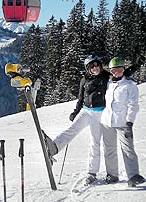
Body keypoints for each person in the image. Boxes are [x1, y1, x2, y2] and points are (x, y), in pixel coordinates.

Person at [43, 54, 140, 185]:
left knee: (95, 143)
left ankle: (92, 172)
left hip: (99, 114)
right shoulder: (84, 80)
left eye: (96, 65)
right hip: (85, 111)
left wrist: (137, 66)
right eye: (91, 66)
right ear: (87, 68)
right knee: (72, 130)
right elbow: (80, 98)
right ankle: (54, 147)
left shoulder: (107, 77)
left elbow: (121, 73)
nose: (95, 68)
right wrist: (75, 112)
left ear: (100, 65)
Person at [100, 57, 144, 187]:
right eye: (113, 70)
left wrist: (129, 123)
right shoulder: (108, 83)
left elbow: (133, 105)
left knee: (128, 149)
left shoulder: (130, 86)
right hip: (107, 121)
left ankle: (133, 176)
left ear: (123, 70)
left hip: (122, 123)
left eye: (119, 70)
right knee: (109, 149)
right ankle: (112, 175)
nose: (116, 73)